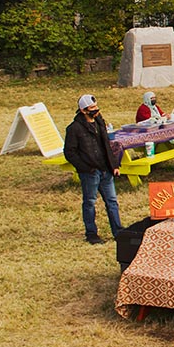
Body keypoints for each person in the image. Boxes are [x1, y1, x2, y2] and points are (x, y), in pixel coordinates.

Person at [63, 94, 122, 244]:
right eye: (92, 109)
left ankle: (118, 231)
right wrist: (85, 168)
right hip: (90, 172)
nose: (96, 111)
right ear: (83, 110)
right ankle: (91, 233)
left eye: (96, 107)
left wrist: (114, 165)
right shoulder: (74, 129)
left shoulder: (99, 122)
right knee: (89, 202)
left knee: (112, 202)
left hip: (105, 170)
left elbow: (106, 145)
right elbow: (70, 152)